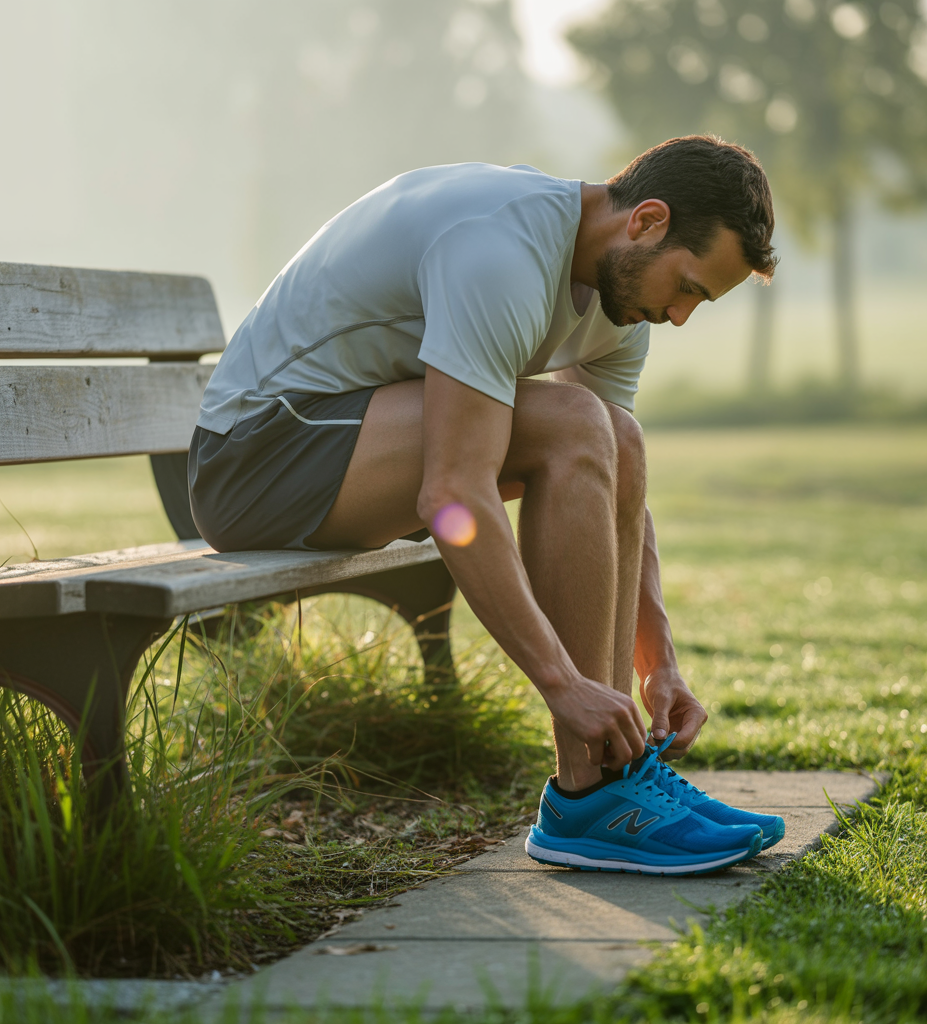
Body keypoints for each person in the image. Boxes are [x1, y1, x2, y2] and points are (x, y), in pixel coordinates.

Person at [190, 134, 785, 874]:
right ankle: (594, 790)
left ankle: (611, 780)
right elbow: (450, 494)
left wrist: (656, 659)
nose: (683, 315)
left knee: (616, 435)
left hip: (353, 446)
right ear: (647, 221)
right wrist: (561, 685)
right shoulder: (500, 247)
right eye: (690, 287)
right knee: (575, 424)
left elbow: (612, 473)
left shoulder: (620, 298)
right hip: (255, 458)